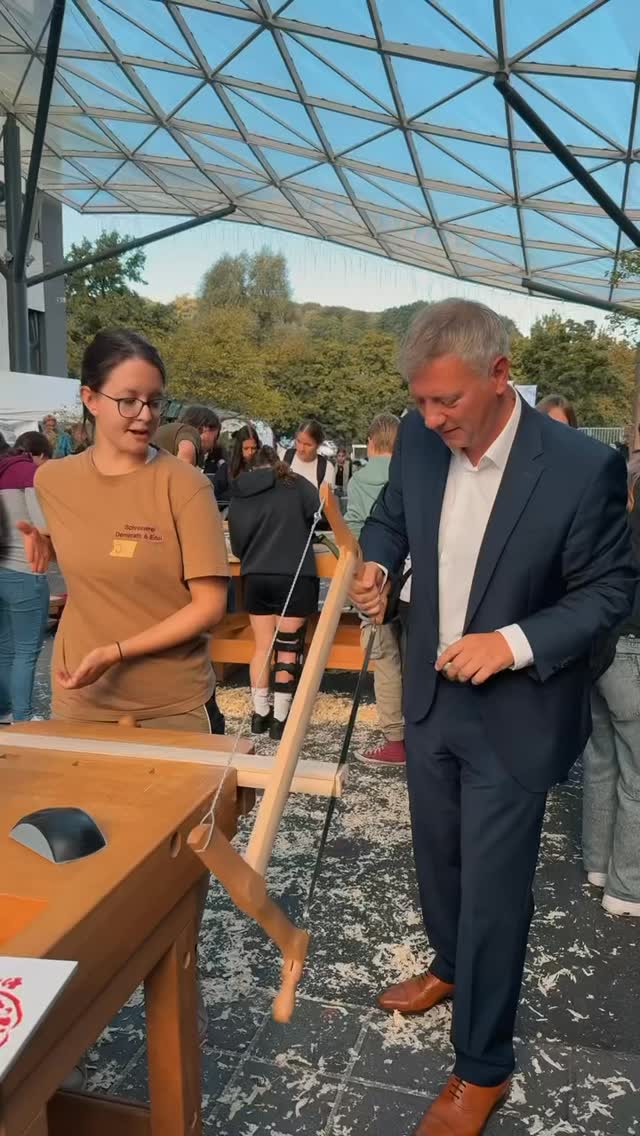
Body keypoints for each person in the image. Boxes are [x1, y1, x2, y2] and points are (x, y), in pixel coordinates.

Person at [351, 298, 633, 1136]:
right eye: (421, 401)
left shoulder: (582, 466)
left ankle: (481, 1065)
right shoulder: (415, 438)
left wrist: (508, 643)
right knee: (438, 861)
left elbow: (612, 593)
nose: (432, 419)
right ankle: (448, 967)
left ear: (500, 376)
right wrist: (375, 564)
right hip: (435, 701)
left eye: (449, 403)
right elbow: (392, 518)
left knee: (495, 893)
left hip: (517, 709)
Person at [20, 328, 230, 732]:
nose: (146, 415)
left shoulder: (184, 485)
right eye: (128, 401)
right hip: (80, 697)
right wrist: (51, 545)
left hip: (171, 705)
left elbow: (208, 607)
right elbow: (101, 553)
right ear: (90, 399)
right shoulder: (53, 481)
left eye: (154, 402)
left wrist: (116, 652)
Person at [227, 445, 319, 741]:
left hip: (255, 575)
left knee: (262, 647)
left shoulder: (241, 491)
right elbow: (322, 513)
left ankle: (259, 714)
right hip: (295, 573)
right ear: (278, 464)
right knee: (287, 649)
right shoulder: (297, 484)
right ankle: (280, 719)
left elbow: (238, 545)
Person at [582, 471, 640, 917]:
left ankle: (599, 865)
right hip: (635, 647)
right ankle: (628, 887)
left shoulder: (617, 511)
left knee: (602, 762)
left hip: (601, 642)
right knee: (637, 776)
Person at [345, 413, 405, 766]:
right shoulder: (408, 476)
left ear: (370, 443)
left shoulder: (359, 479)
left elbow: (353, 531)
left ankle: (394, 737)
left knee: (383, 657)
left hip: (373, 578)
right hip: (410, 577)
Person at [0, 435, 52, 724]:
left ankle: (4, 711)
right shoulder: (26, 473)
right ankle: (22, 718)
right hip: (24, 570)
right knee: (25, 651)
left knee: (4, 647)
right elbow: (42, 525)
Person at [284, 420, 335, 489]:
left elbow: (327, 499)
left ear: (318, 445)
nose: (301, 449)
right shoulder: (283, 457)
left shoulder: (327, 468)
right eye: (298, 441)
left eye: (308, 445)